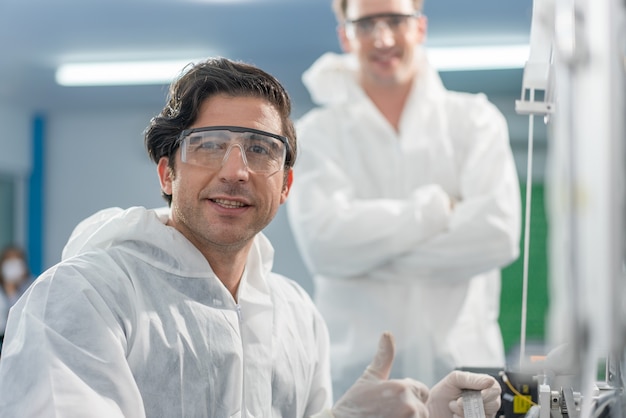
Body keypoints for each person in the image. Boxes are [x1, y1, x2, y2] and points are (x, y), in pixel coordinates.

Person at [0, 57, 501, 417]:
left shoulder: (296, 316)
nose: (236, 170)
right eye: (209, 146)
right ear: (166, 175)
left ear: (284, 185)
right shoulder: (84, 299)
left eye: (261, 150)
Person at [286, 0, 522, 397]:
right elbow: (324, 246)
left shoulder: (475, 121)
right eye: (365, 25)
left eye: (396, 20)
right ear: (346, 35)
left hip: (468, 380)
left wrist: (366, 253)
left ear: (420, 28)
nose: (383, 38)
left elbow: (497, 234)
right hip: (358, 382)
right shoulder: (316, 135)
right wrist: (432, 212)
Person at [0, 244, 35, 348]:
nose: (13, 265)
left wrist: (13, 292)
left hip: (24, 341)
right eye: (9, 260)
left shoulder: (33, 285)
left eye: (17, 260)